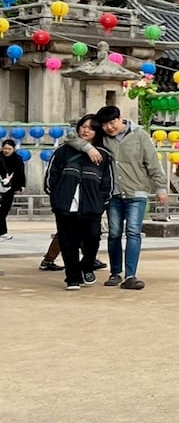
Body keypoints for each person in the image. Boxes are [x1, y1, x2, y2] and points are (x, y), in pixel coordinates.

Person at [91, 105, 168, 292]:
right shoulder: (101, 139)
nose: (110, 127)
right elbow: (76, 138)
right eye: (105, 124)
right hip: (113, 195)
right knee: (114, 233)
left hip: (136, 192)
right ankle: (115, 272)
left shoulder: (139, 135)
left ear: (120, 118)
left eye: (112, 122)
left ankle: (131, 275)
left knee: (133, 232)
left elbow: (152, 162)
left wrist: (161, 187)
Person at [44, 116, 115, 290]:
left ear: (97, 132)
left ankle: (87, 265)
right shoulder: (62, 151)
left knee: (92, 239)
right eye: (83, 126)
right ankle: (72, 278)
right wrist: (57, 198)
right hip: (65, 206)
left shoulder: (104, 156)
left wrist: (100, 202)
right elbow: (51, 177)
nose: (85, 130)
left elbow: (108, 183)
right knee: (68, 243)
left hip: (91, 207)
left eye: (90, 128)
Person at [0, 136, 25, 239]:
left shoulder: (18, 159)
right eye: (5, 148)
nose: (6, 151)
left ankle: (2, 232)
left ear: (13, 149)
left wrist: (22, 185)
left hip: (10, 187)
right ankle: (2, 232)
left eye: (9, 149)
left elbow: (21, 173)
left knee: (5, 209)